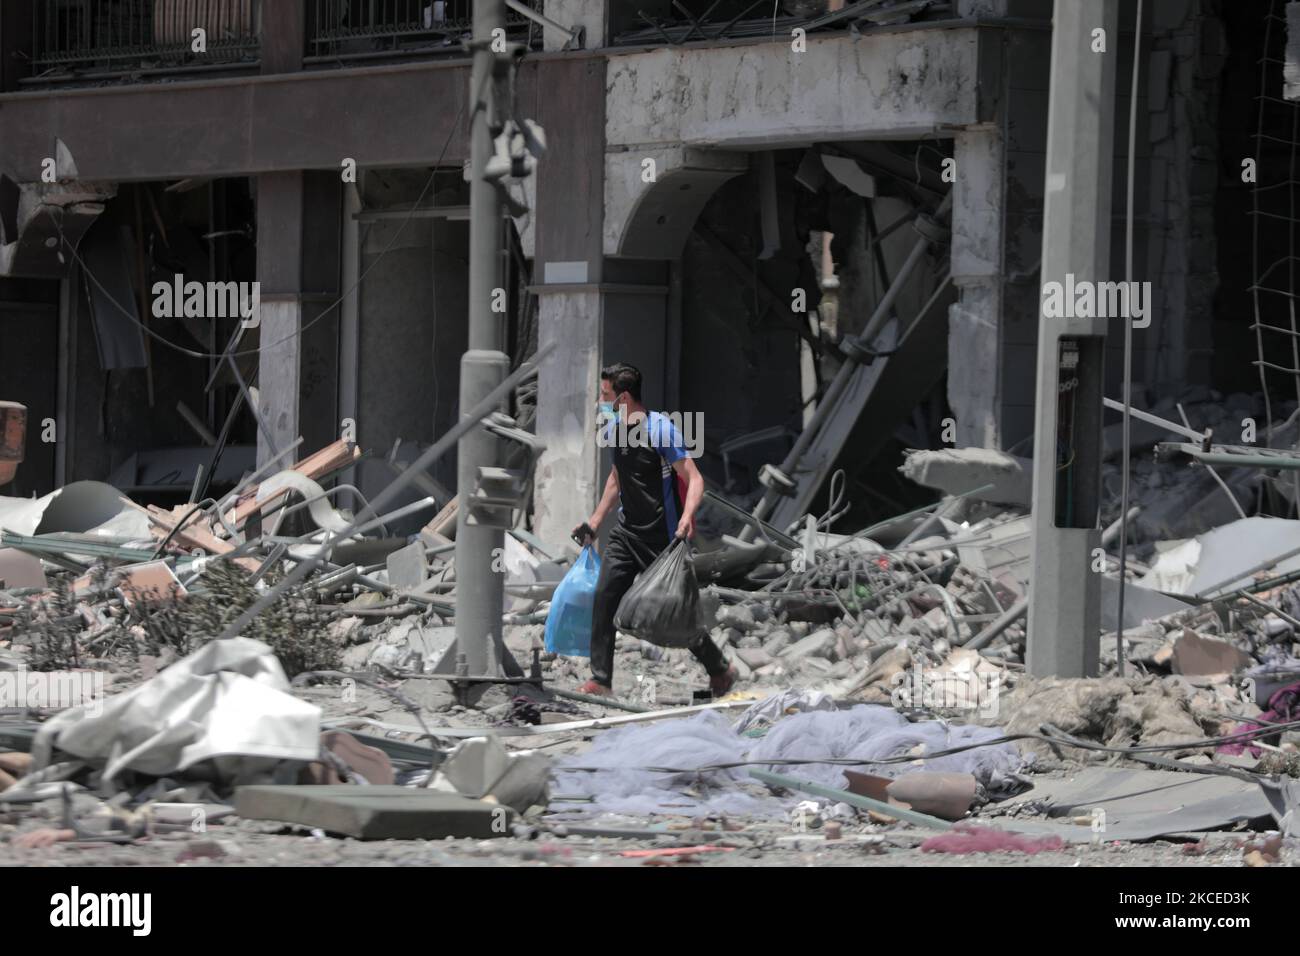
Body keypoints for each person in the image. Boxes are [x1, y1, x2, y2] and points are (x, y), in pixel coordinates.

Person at [571, 363, 736, 698]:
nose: (602, 402)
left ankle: (719, 669)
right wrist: (594, 523)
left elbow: (695, 478)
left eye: (606, 396)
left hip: (661, 539)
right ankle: (601, 680)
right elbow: (617, 478)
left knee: (673, 613)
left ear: (624, 396)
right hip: (625, 533)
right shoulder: (618, 427)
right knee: (603, 599)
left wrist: (687, 516)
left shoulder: (661, 430)